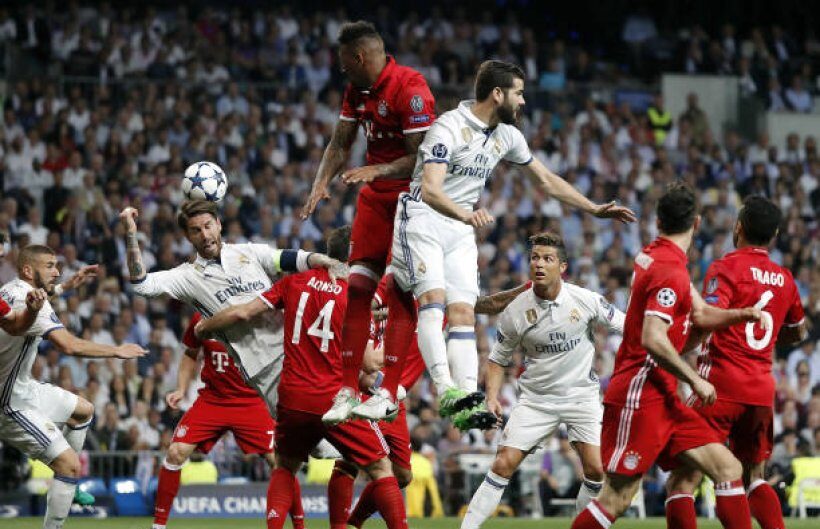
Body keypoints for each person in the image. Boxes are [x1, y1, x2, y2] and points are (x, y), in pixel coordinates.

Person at [357, 60, 636, 429]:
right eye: (519, 93)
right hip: (423, 217)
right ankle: (445, 389)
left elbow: (546, 180)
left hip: (460, 226)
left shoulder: (508, 136)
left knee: (463, 313)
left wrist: (593, 208)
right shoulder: (448, 128)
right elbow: (431, 189)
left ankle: (466, 399)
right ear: (498, 94)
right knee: (434, 301)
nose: (523, 101)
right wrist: (466, 214)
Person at [120, 199, 343, 522]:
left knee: (318, 450)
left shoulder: (248, 253)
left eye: (208, 226)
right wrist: (131, 234)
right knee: (317, 451)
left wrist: (322, 259)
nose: (204, 234)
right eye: (196, 230)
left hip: (298, 354)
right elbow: (141, 284)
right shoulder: (186, 277)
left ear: (219, 225)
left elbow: (288, 258)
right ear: (188, 237)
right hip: (265, 375)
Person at [571, 183, 761, 529]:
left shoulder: (656, 255)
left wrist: (742, 314)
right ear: (697, 223)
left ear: (658, 221)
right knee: (617, 498)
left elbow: (700, 314)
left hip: (665, 394)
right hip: (640, 392)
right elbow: (652, 337)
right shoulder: (669, 271)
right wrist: (695, 379)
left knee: (728, 468)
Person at [194, 227, 409, 529]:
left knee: (285, 466)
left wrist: (205, 326)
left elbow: (243, 312)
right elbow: (370, 362)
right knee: (381, 468)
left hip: (293, 396)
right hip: (335, 399)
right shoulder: (356, 298)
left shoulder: (294, 282)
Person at [301, 20, 437, 425]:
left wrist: (377, 170)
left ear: (360, 57)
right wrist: (320, 183)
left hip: (411, 200)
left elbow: (423, 157)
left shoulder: (411, 89)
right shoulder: (356, 90)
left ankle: (389, 391)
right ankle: (347, 389)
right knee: (358, 287)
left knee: (397, 288)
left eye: (345, 62)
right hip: (375, 199)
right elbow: (340, 142)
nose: (342, 69)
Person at [462, 232, 625, 529]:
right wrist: (492, 397)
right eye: (535, 258)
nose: (539, 264)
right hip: (537, 400)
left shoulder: (586, 300)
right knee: (502, 463)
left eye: (547, 259)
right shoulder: (515, 310)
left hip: (581, 396)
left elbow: (627, 325)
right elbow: (497, 359)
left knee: (596, 470)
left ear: (562, 267)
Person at [664, 196, 807, 529]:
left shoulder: (725, 267)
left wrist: (676, 344)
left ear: (738, 227)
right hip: (761, 391)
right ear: (774, 235)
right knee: (754, 477)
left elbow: (710, 316)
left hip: (720, 385)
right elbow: (798, 331)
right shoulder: (785, 278)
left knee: (683, 480)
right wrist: (770, 335)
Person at [0, 245, 144, 529]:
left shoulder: (10, 289)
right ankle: (65, 486)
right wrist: (116, 350)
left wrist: (66, 286)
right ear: (28, 270)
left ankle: (68, 486)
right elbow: (69, 345)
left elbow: (33, 302)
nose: (56, 271)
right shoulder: (32, 305)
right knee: (69, 465)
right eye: (50, 266)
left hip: (22, 387)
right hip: (8, 403)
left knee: (83, 411)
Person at [151, 313, 303, 529]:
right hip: (213, 399)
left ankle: (299, 525)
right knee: (176, 452)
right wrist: (181, 389)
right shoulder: (201, 316)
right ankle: (158, 526)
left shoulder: (254, 314)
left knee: (279, 462)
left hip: (250, 401)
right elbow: (190, 353)